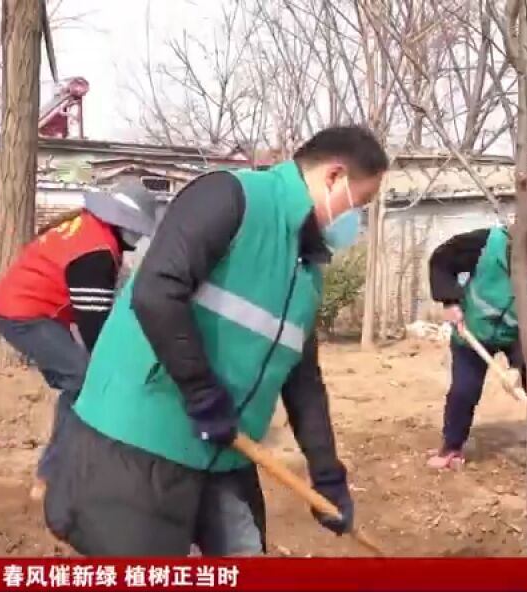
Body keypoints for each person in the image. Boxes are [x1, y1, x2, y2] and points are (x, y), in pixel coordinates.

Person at [43, 126, 389, 556]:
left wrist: (327, 476)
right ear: (334, 177)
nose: (357, 219)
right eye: (362, 203)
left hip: (225, 452)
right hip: (141, 440)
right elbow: (158, 290)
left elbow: (303, 381)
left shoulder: (306, 275)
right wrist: (203, 393)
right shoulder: (233, 198)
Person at [0, 180, 161, 490]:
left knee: (82, 382)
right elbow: (96, 330)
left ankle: (70, 462)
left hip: (25, 309)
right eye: (137, 229)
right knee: (84, 382)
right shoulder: (95, 253)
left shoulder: (86, 227)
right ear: (123, 222)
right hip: (25, 315)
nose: (138, 237)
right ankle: (50, 476)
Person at [425, 211, 527, 492]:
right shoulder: (488, 245)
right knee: (464, 390)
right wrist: (449, 300)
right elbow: (441, 259)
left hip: (523, 340)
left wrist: (517, 364)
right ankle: (451, 447)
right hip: (473, 330)